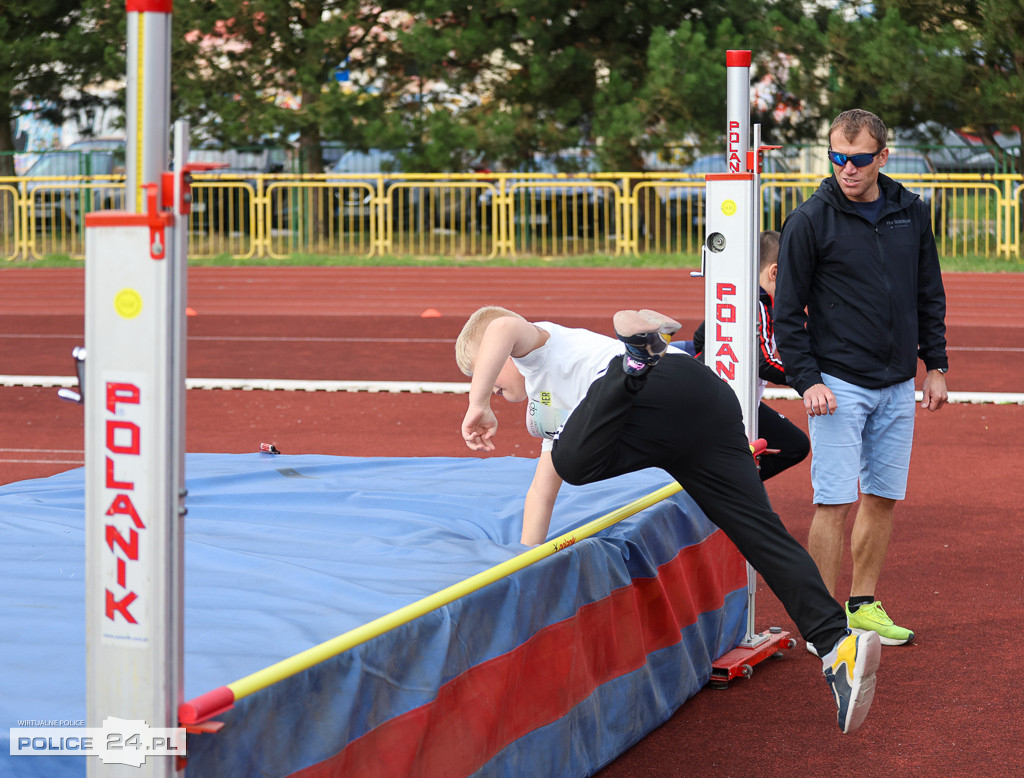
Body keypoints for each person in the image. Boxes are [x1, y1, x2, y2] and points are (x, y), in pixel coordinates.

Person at [455, 305, 881, 733]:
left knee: (574, 460)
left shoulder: (540, 349)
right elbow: (540, 492)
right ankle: (836, 644)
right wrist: (525, 563)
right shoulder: (552, 413)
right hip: (701, 398)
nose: (491, 390)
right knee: (759, 535)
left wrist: (476, 403)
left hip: (650, 388)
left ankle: (635, 361)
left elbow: (501, 326)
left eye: (486, 376)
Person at [774, 109, 949, 651]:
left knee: (881, 496)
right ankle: (825, 624)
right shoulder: (809, 219)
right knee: (834, 501)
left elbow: (928, 291)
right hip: (838, 385)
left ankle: (862, 605)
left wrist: (935, 365)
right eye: (838, 158)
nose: (847, 169)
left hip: (896, 383)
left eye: (859, 159)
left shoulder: (909, 211)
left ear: (882, 157)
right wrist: (808, 381)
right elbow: (786, 314)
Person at [689, 230, 810, 481]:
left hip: (721, 397)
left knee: (793, 444)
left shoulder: (735, 296)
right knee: (794, 445)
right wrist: (809, 378)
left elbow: (701, 337)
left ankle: (731, 486)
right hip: (727, 404)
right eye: (796, 275)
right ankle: (729, 488)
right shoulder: (759, 303)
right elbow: (763, 363)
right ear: (775, 272)